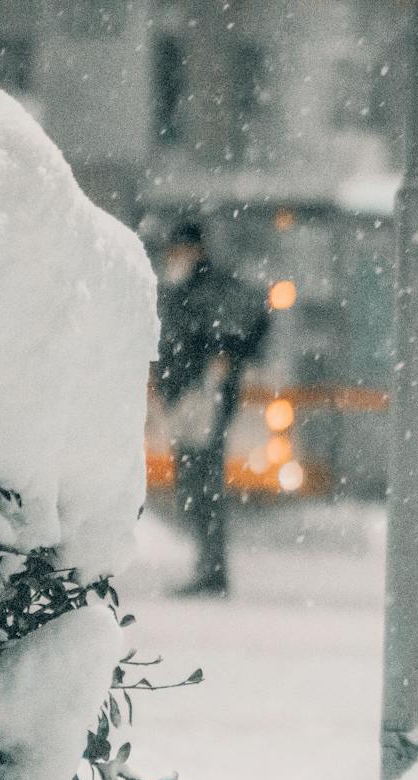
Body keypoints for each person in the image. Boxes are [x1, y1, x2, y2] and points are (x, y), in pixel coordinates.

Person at [151, 220, 270, 597]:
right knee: (194, 485)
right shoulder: (182, 288)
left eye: (180, 250)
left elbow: (242, 323)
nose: (174, 257)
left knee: (202, 485)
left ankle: (212, 569)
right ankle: (209, 566)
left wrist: (220, 361)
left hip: (203, 398)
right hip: (186, 397)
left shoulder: (205, 289)